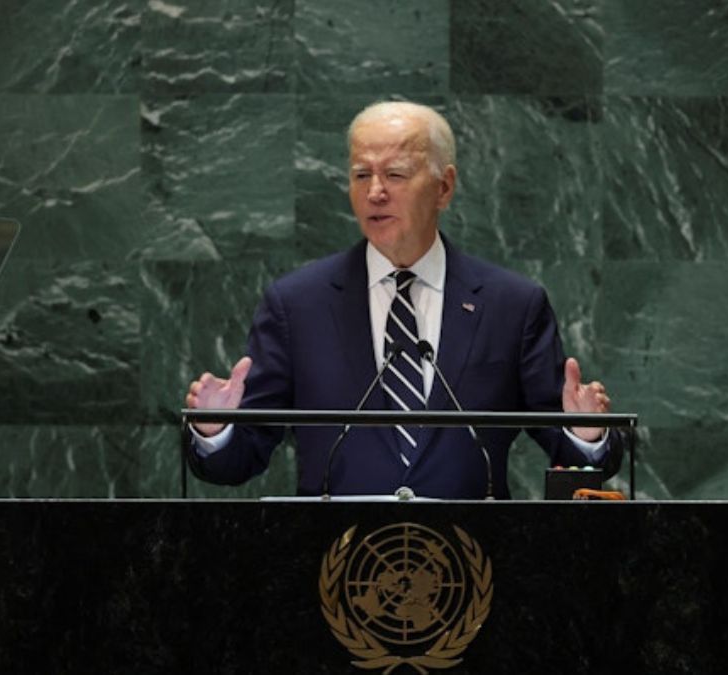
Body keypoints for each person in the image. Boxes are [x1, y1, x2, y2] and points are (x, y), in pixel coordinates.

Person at [183, 101, 621, 499]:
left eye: (394, 174)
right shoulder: (297, 304)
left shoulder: (513, 305)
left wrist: (586, 432)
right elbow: (236, 462)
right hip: (332, 564)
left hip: (472, 565)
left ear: (444, 187)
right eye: (361, 175)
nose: (375, 192)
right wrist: (216, 429)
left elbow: (577, 459)